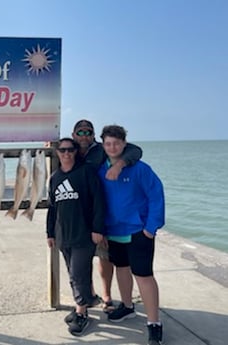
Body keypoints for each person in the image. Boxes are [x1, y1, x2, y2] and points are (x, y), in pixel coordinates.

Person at [98, 125, 165, 345]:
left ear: (124, 144)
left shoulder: (140, 168)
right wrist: (102, 228)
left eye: (116, 143)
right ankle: (127, 306)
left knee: (144, 275)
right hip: (114, 231)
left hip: (138, 231)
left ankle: (154, 323)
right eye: (108, 143)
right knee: (121, 269)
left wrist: (150, 228)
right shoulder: (100, 169)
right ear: (103, 145)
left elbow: (156, 195)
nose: (112, 147)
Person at [72, 119, 142, 313]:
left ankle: (106, 295)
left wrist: (119, 165)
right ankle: (88, 295)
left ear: (93, 136)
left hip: (99, 210)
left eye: (88, 132)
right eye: (80, 132)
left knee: (104, 256)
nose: (84, 136)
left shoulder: (101, 150)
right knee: (82, 258)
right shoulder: (68, 150)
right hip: (77, 213)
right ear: (74, 135)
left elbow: (135, 151)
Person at [46, 138, 106, 336]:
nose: (66, 153)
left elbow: (98, 201)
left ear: (75, 151)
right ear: (57, 153)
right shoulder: (54, 177)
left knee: (78, 273)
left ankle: (81, 313)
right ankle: (84, 302)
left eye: (70, 150)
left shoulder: (86, 172)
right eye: (62, 150)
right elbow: (52, 209)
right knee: (73, 274)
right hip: (63, 235)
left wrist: (98, 229)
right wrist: (50, 233)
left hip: (84, 233)